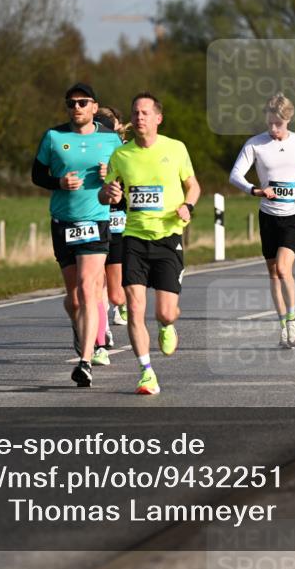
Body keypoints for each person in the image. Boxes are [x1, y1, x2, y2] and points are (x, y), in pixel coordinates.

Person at [100, 93, 200, 395]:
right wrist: (109, 195)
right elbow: (105, 194)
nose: (139, 117)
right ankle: (146, 373)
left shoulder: (176, 148)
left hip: (168, 237)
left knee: (166, 312)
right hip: (134, 238)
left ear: (158, 118)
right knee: (134, 305)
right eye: (135, 112)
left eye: (145, 112)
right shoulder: (121, 155)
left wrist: (188, 206)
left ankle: (167, 326)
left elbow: (192, 185)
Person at [31, 83, 121, 386]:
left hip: (96, 220)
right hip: (63, 222)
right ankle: (80, 328)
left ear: (95, 107)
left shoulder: (110, 139)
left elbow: (126, 178)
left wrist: (112, 178)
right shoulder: (54, 137)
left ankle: (86, 360)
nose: (77, 108)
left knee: (87, 287)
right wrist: (58, 182)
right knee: (75, 299)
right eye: (71, 104)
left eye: (83, 103)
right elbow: (36, 174)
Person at [229, 93, 295, 347]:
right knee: (272, 273)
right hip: (268, 215)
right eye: (269, 123)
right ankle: (283, 325)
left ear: (287, 120)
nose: (272, 128)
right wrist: (254, 190)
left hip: (293, 216)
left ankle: (292, 319)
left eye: (277, 124)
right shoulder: (255, 144)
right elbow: (235, 174)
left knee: (283, 268)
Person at [96, 106, 129, 329]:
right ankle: (101, 334)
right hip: (94, 220)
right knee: (95, 282)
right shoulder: (86, 148)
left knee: (116, 293)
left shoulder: (126, 151)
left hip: (120, 221)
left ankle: (121, 303)